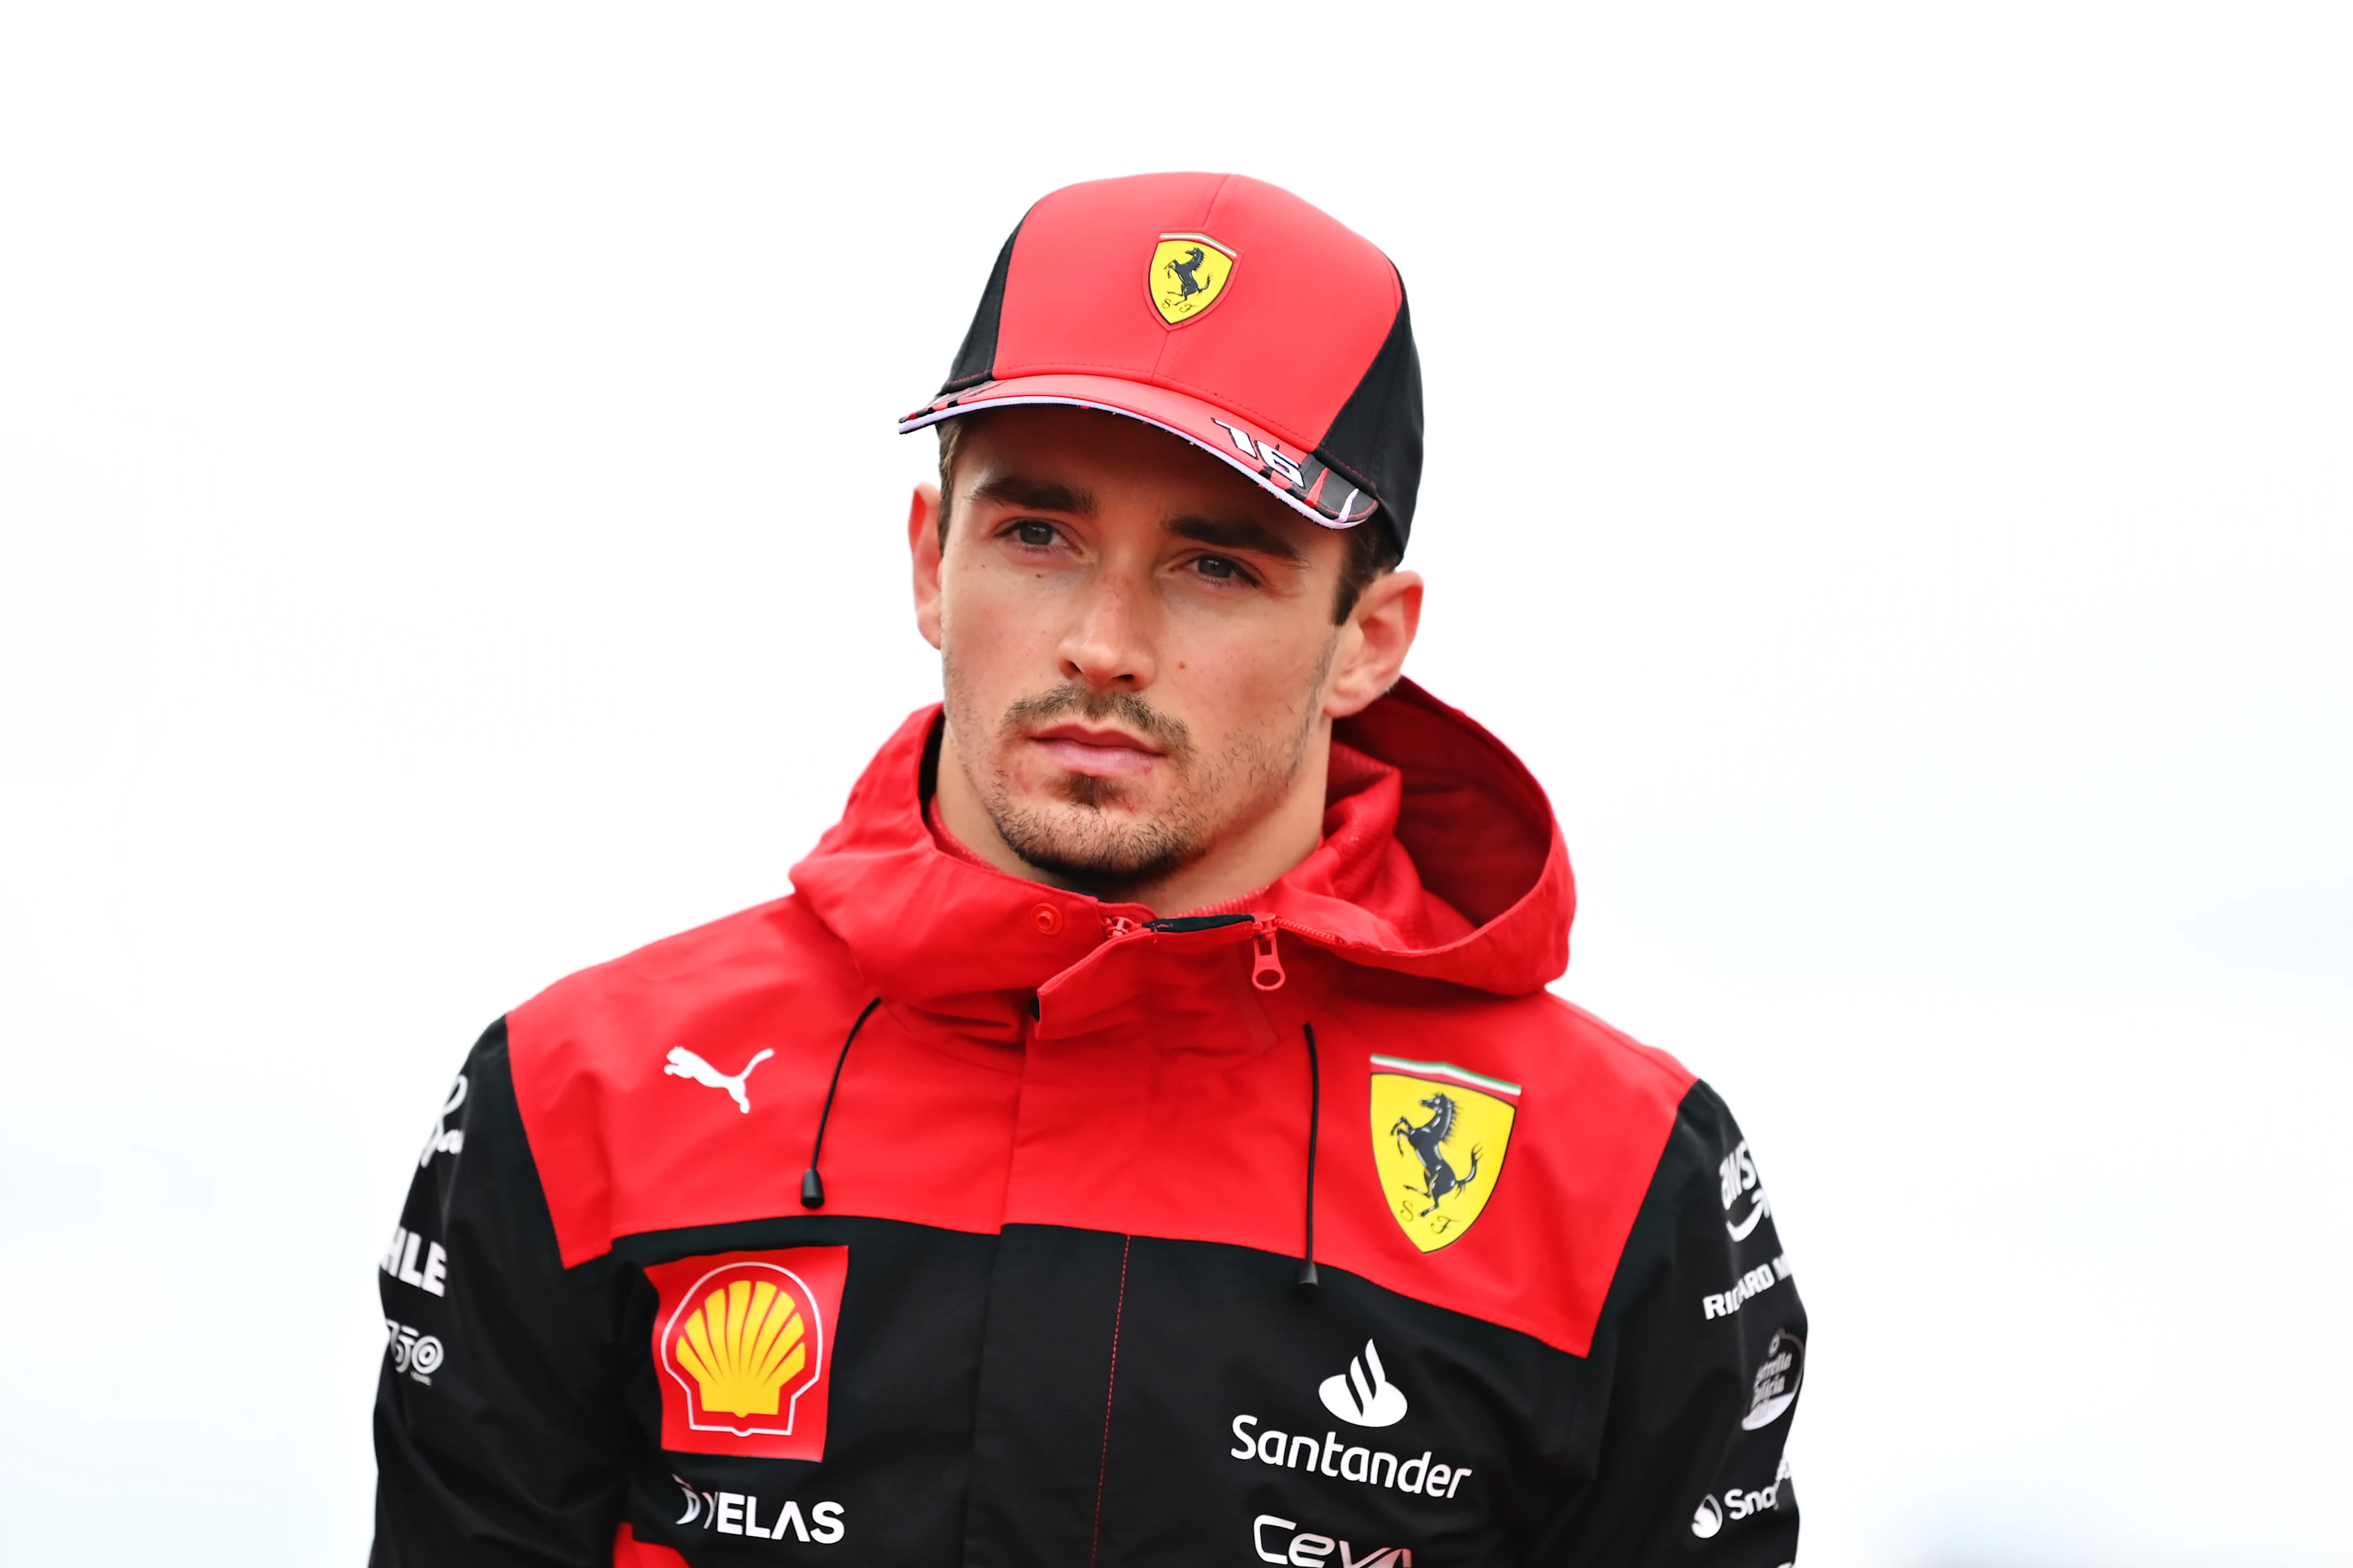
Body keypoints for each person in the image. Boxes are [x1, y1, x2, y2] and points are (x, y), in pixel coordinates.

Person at [371, 171, 1806, 1567]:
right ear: (933, 557)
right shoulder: (585, 1094)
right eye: (1039, 534)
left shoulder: (1611, 1172)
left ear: (1369, 636)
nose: (1102, 641)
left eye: (1215, 565)